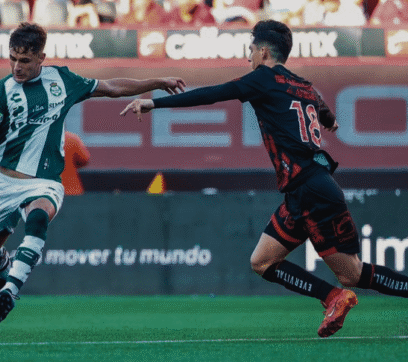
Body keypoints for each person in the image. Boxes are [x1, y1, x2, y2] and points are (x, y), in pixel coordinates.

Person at [120, 20, 408, 338]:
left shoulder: (263, 79)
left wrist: (154, 102)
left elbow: (214, 94)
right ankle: (332, 297)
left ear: (264, 51)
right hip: (306, 189)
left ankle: (339, 294)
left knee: (352, 273)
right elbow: (322, 108)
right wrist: (330, 120)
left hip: (311, 189)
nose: (248, 58)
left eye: (251, 51)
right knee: (262, 261)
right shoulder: (303, 85)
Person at [0, 22, 185, 322]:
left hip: (45, 182)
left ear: (41, 57)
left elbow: (111, 87)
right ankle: (4, 271)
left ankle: (11, 290)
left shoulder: (61, 79)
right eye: (13, 59)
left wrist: (156, 82)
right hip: (4, 180)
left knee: (38, 219)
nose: (17, 67)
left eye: (25, 60)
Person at [60, 131, 90, 196]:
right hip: (72, 191)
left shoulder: (39, 140)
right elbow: (84, 159)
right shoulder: (71, 138)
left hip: (48, 193)